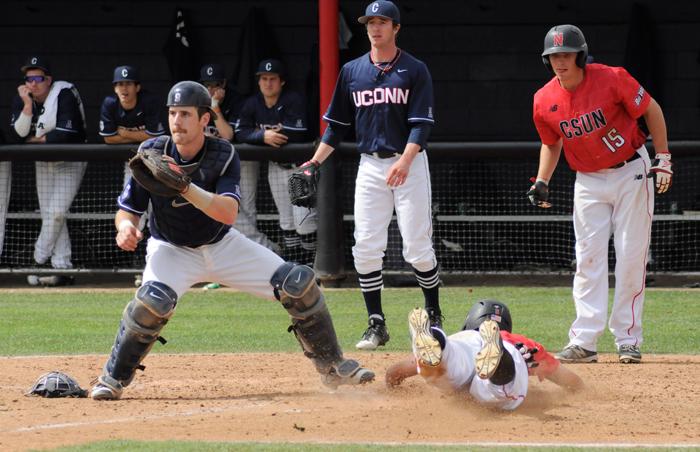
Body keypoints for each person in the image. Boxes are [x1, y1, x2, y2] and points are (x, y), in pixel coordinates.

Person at [90, 81, 374, 400]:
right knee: (150, 304)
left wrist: (186, 188)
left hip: (222, 245)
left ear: (204, 119)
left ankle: (333, 366)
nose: (176, 121)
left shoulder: (223, 153)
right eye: (172, 113)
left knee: (298, 284)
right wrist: (125, 228)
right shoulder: (152, 152)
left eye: (185, 114)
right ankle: (112, 378)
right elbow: (127, 210)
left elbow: (227, 213)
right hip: (171, 248)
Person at [302, 0, 442, 350]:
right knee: (365, 247)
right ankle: (376, 324)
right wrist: (313, 163)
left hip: (409, 162)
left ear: (396, 28)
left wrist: (405, 161)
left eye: (382, 22)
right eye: (370, 23)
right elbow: (336, 127)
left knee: (417, 248)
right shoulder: (353, 71)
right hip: (370, 165)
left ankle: (434, 314)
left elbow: (421, 125)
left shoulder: (414, 69)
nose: (375, 28)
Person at [528, 25, 672, 364]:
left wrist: (663, 157)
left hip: (630, 170)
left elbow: (651, 109)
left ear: (580, 55)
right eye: (553, 56)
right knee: (587, 259)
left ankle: (628, 339)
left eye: (566, 54)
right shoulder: (543, 99)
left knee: (630, 256)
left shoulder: (612, 78)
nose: (560, 61)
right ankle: (584, 341)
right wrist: (542, 180)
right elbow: (551, 143)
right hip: (588, 180)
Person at [386, 301, 584, 411]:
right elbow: (571, 382)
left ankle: (434, 336)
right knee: (500, 391)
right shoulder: (523, 343)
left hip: (465, 346)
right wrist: (580, 390)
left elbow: (395, 373)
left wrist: (392, 384)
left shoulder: (464, 337)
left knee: (440, 367)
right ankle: (500, 359)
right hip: (508, 349)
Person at [9, 56, 87, 273]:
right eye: (29, 79)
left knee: (56, 212)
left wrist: (35, 139)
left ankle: (38, 260)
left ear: (49, 80)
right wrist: (27, 106)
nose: (33, 84)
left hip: (70, 160)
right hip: (43, 162)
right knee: (50, 216)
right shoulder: (22, 98)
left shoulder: (64, 93)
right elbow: (17, 136)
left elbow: (65, 135)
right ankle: (61, 266)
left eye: (38, 79)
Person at [236, 59, 317, 265]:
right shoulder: (253, 103)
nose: (268, 83)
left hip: (299, 167)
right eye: (264, 79)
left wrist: (259, 134)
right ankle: (294, 265)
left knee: (304, 223)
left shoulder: (293, 99)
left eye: (273, 79)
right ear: (259, 81)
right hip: (275, 167)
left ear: (282, 82)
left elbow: (297, 133)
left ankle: (311, 265)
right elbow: (240, 132)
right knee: (287, 221)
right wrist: (263, 136)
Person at [199, 63, 279, 255]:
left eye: (215, 84)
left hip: (241, 160)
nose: (211, 90)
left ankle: (254, 251)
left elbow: (227, 135)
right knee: (226, 207)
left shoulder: (236, 100)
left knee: (246, 207)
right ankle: (262, 248)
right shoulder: (196, 101)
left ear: (224, 84)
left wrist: (215, 108)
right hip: (212, 162)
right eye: (207, 85)